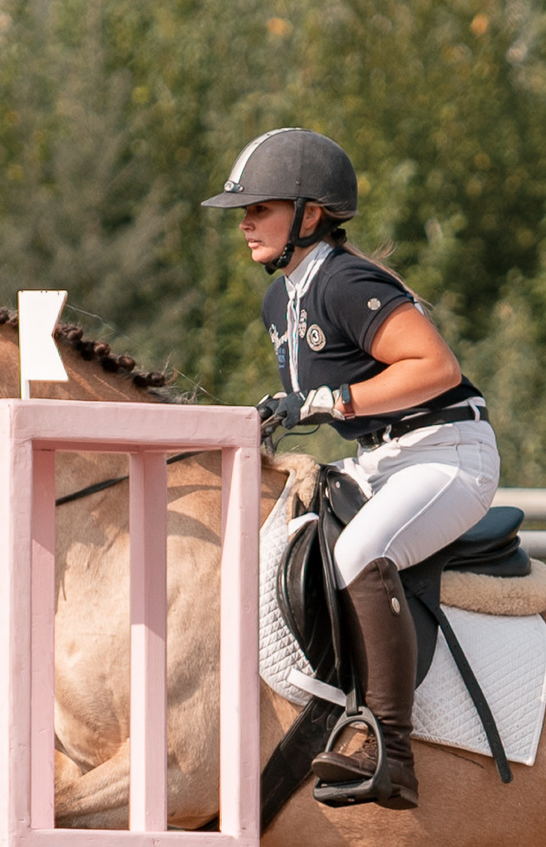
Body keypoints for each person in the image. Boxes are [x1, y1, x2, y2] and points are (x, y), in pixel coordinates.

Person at [204, 127, 497, 811]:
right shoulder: (280, 300)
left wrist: (332, 399)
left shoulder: (345, 280)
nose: (245, 221)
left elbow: (436, 368)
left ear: (310, 215)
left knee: (362, 550)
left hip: (448, 454)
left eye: (262, 207)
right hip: (383, 458)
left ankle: (390, 748)